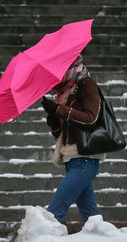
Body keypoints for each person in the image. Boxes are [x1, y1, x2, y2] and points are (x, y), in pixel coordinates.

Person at [41, 55, 105, 225]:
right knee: (91, 218)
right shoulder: (64, 92)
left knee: (54, 213)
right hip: (72, 160)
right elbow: (63, 134)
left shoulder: (86, 84)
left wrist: (59, 109)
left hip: (86, 158)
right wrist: (53, 118)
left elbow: (91, 118)